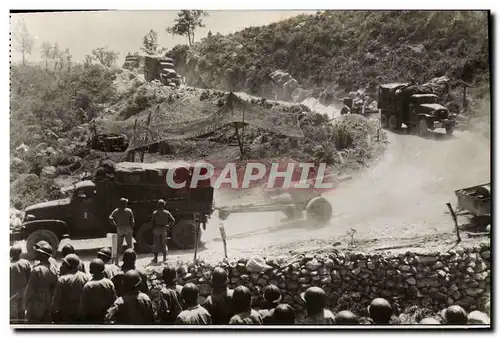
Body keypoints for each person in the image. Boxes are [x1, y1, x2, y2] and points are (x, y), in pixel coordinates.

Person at [24, 242, 58, 323]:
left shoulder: (37, 270)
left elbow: (30, 289)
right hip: (49, 300)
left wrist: (25, 302)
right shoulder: (53, 267)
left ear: (43, 255)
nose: (36, 253)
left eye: (38, 252)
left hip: (37, 301)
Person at [51, 254, 91, 323]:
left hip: (66, 313)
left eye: (64, 263)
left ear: (68, 265)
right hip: (81, 312)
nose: (62, 265)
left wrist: (53, 312)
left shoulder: (62, 279)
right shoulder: (85, 277)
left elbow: (57, 299)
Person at [80, 258, 117, 324]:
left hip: (91, 317)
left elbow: (83, 304)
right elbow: (114, 300)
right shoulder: (109, 283)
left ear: (91, 271)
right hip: (106, 316)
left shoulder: (88, 285)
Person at [10, 246, 31, 321]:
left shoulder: (9, 265)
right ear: (20, 253)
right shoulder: (26, 262)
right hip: (23, 290)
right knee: (22, 310)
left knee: (12, 312)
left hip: (12, 292)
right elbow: (29, 277)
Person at [151, 199, 175, 263]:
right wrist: (168, 226)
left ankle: (155, 258)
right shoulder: (166, 212)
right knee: (163, 243)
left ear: (157, 205)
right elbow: (173, 220)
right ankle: (164, 258)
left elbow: (153, 222)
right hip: (164, 229)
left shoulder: (155, 213)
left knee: (156, 243)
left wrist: (153, 229)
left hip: (157, 229)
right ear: (164, 205)